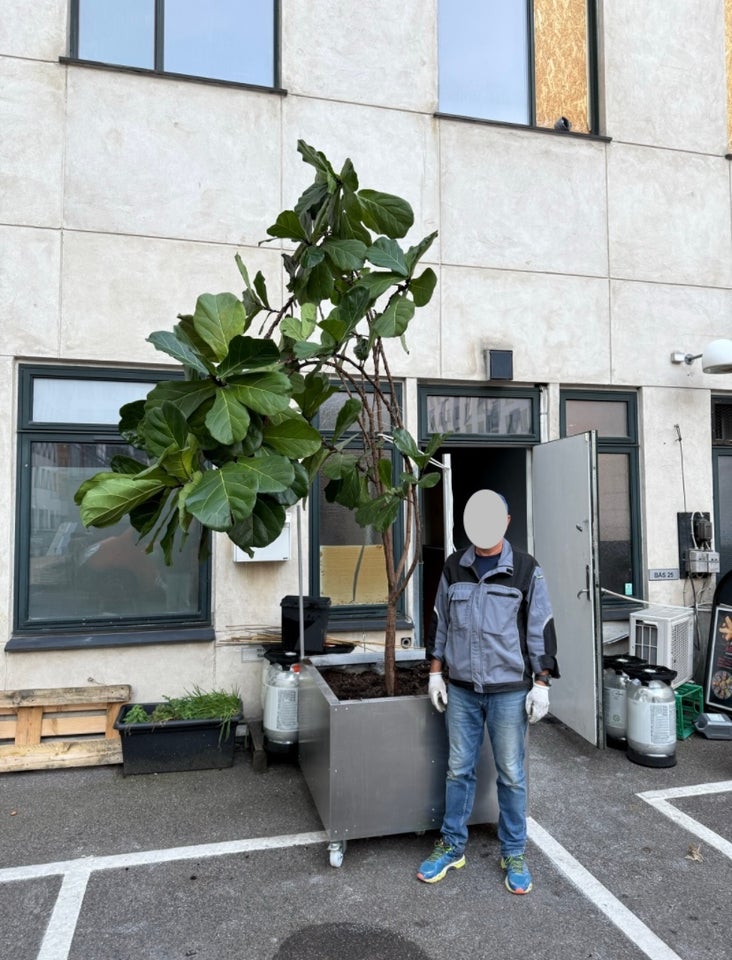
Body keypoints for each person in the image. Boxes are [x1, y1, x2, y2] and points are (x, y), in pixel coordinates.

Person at [417, 489, 558, 894]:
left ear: (506, 522)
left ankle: (513, 851)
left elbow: (541, 627)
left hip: (509, 691)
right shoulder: (453, 568)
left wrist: (541, 682)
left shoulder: (526, 570)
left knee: (512, 775)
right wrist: (435, 673)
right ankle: (451, 845)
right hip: (461, 690)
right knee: (458, 769)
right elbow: (441, 622)